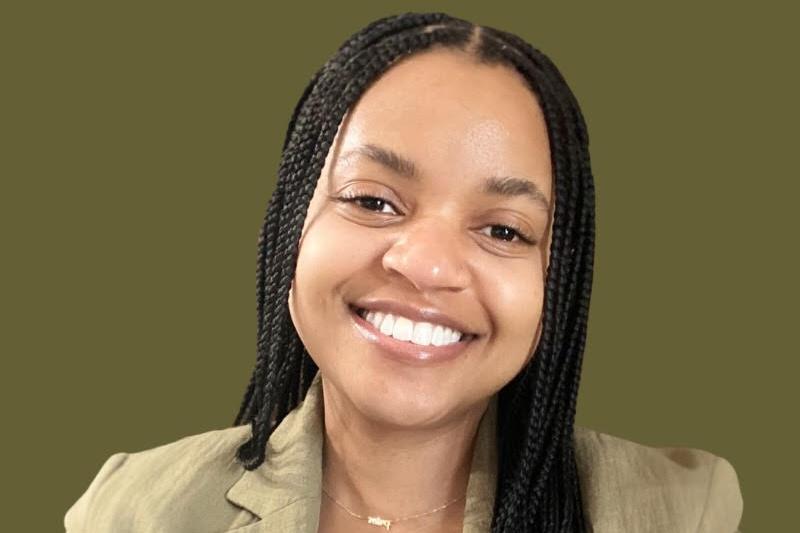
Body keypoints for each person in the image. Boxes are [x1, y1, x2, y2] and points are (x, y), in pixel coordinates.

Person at [64, 11, 743, 533]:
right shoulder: (134, 508)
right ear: (289, 232)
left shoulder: (680, 509)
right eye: (372, 200)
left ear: (555, 286)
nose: (427, 263)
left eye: (504, 229)